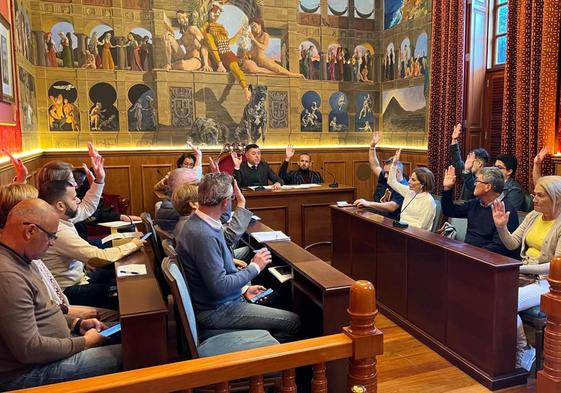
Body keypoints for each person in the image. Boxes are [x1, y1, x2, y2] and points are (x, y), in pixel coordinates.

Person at [0, 199, 121, 390]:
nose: (51, 244)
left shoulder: (23, 257)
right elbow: (29, 349)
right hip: (29, 372)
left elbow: (44, 310)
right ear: (30, 231)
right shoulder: (7, 276)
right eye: (51, 237)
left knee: (133, 331)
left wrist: (77, 323)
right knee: (136, 351)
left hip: (62, 343)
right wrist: (85, 343)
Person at [176, 172, 300, 342]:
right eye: (231, 199)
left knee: (279, 298)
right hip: (218, 310)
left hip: (223, 300)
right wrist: (254, 267)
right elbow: (219, 286)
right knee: (292, 322)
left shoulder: (202, 221)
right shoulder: (202, 234)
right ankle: (263, 362)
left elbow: (224, 246)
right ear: (226, 202)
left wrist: (242, 290)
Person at [0, 183, 118, 322]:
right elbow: (32, 337)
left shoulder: (27, 251)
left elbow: (47, 308)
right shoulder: (10, 270)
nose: (51, 242)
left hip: (65, 310)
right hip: (69, 301)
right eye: (38, 206)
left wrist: (74, 321)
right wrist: (77, 325)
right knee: (125, 315)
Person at [39, 180, 146, 309]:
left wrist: (99, 181)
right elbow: (98, 258)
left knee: (124, 277)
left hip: (80, 277)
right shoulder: (59, 231)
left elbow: (87, 208)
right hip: (69, 291)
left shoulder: (63, 218)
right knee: (129, 293)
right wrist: (133, 244)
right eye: (74, 198)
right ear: (61, 206)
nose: (79, 201)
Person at [491, 175, 561, 371]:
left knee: (504, 302)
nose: (534, 199)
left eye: (540, 195)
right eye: (534, 194)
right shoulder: (532, 216)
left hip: (548, 282)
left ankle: (523, 349)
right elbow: (512, 243)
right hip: (523, 273)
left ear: (557, 197)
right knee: (488, 294)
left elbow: (555, 266)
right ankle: (512, 348)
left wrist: (520, 267)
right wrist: (502, 227)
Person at [441, 166, 519, 257]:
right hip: (469, 254)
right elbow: (449, 211)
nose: (474, 184)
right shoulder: (476, 203)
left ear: (487, 187)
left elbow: (499, 247)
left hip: (488, 260)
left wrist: (470, 254)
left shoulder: (505, 210)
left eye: (477, 181)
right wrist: (447, 188)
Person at [354, 132, 408, 220]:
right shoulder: (387, 177)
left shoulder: (403, 186)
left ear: (397, 171)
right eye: (385, 172)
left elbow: (392, 207)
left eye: (387, 172)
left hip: (389, 220)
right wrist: (372, 147)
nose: (385, 176)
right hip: (377, 213)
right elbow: (375, 165)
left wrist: (368, 203)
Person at [387, 149, 436, 230]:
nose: (408, 181)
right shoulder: (409, 191)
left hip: (417, 237)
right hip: (401, 230)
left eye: (413, 180)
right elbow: (391, 182)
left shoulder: (429, 201)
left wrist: (403, 228)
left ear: (422, 184)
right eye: (410, 178)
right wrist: (394, 164)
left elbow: (422, 227)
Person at [449, 123, 490, 200]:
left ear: (479, 163)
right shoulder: (468, 172)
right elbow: (457, 160)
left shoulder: (486, 180)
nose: (468, 164)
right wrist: (454, 139)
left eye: (471, 161)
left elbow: (472, 186)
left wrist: (467, 171)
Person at [155, 168, 200, 232]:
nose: (198, 187)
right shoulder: (180, 209)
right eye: (194, 184)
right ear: (182, 187)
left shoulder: (171, 203)